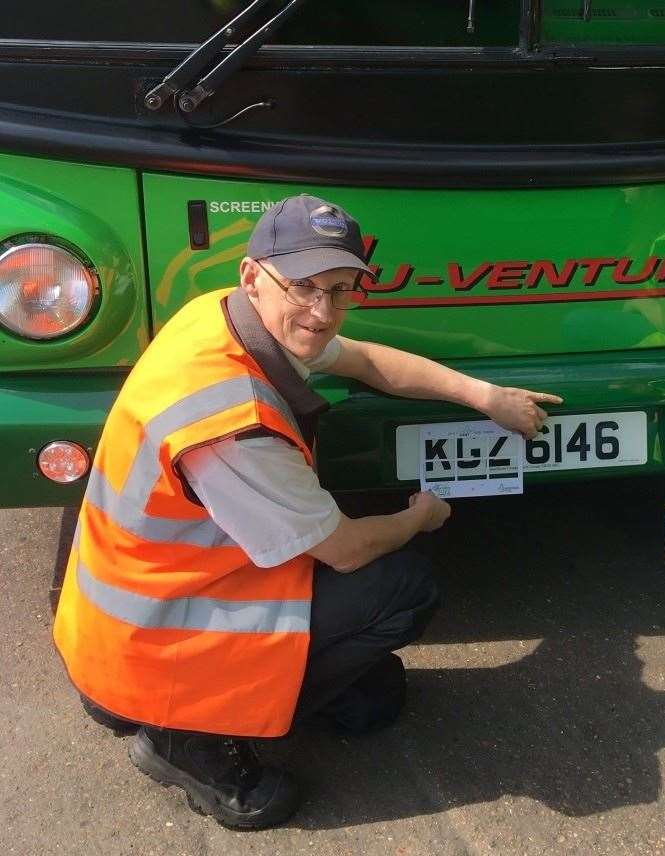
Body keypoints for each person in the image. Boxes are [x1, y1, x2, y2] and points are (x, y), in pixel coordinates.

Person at [52, 194, 562, 829]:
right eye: (305, 288)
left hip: (134, 617)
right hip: (156, 643)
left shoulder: (222, 319)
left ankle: (214, 700)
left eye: (342, 291)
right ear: (253, 277)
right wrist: (421, 516)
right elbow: (346, 549)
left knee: (375, 701)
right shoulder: (230, 424)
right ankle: (188, 742)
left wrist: (484, 395)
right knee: (404, 584)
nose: (323, 313)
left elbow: (367, 361)